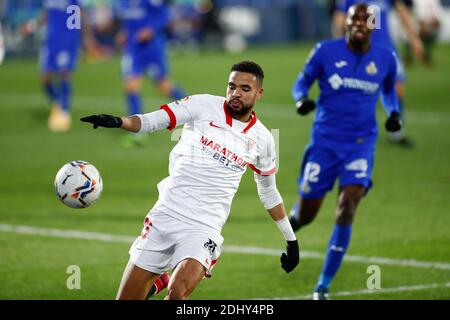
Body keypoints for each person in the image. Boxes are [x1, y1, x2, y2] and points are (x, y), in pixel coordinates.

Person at [81, 61, 300, 300]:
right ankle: (157, 281)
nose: (236, 93)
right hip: (166, 214)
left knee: (178, 294)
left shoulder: (263, 139)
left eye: (245, 89)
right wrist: (118, 122)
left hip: (204, 227)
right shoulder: (202, 105)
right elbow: (153, 120)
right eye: (231, 86)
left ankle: (167, 280)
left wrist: (291, 240)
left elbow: (268, 191)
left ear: (259, 94)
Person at [290, 4, 402, 300]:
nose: (359, 24)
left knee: (348, 205)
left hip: (360, 145)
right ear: (345, 22)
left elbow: (389, 90)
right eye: (354, 18)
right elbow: (301, 81)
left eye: (366, 20)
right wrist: (301, 99)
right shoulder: (324, 51)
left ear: (374, 25)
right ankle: (292, 226)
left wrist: (393, 113)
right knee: (307, 214)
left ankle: (323, 285)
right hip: (325, 145)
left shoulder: (386, 59)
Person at [333, 0, 424, 147]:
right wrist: (338, 45)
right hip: (361, 51)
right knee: (360, 91)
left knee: (397, 89)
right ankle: (354, 132)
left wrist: (414, 38)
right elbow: (340, 19)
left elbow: (402, 13)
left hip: (387, 50)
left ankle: (396, 133)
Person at [113, 0, 186, 147]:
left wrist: (151, 29)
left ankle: (193, 112)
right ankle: (137, 132)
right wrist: (124, 33)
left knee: (164, 86)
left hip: (152, 48)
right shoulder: (120, 2)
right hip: (133, 49)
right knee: (131, 84)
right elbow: (128, 20)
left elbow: (164, 14)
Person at [22, 0, 97, 132]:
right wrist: (31, 26)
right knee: (45, 79)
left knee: (64, 74)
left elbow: (81, 15)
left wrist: (87, 39)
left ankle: (64, 111)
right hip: (51, 42)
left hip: (68, 42)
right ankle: (58, 102)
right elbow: (45, 15)